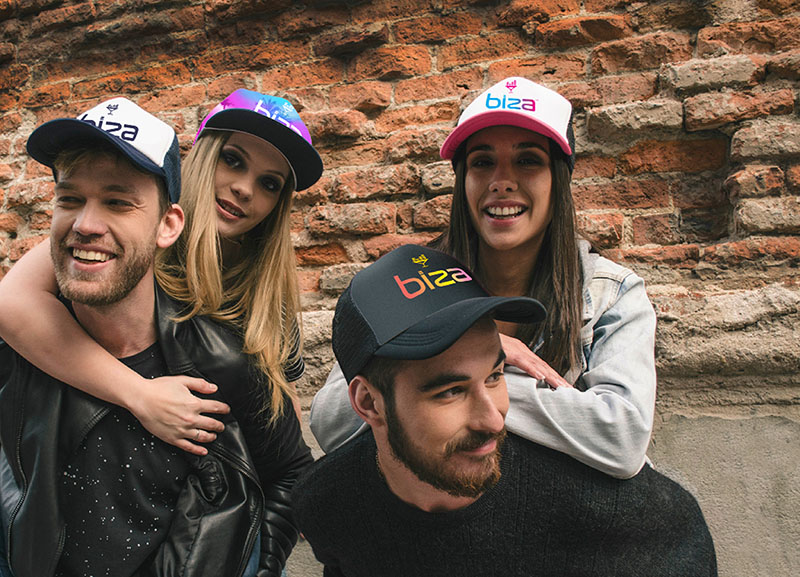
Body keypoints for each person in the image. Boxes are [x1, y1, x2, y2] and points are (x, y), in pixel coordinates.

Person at [0, 97, 312, 577]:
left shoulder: (263, 309)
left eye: (270, 183)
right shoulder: (107, 241)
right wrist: (140, 395)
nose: (245, 189)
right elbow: (12, 305)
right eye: (233, 159)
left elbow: (280, 460)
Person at [293, 244, 717, 577]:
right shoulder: (328, 502)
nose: (494, 420)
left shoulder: (628, 520)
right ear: (368, 403)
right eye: (451, 391)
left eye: (496, 376)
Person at [310, 77, 656, 478]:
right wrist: (475, 353)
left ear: (558, 179)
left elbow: (623, 439)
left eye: (528, 160)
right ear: (463, 180)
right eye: (482, 162)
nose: (501, 181)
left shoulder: (611, 292)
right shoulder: (405, 280)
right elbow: (331, 423)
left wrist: (463, 382)